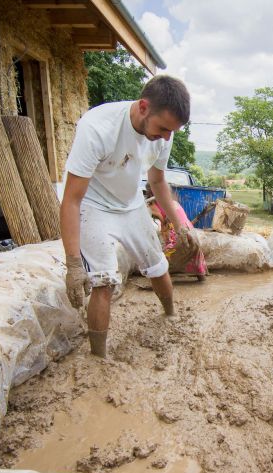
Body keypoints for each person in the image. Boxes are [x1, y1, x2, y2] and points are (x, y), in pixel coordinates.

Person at [60, 75, 199, 357]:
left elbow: (157, 181)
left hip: (131, 202)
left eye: (172, 131)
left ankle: (171, 316)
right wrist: (73, 264)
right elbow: (71, 201)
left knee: (157, 265)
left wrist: (178, 222)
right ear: (144, 107)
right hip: (93, 205)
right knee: (104, 280)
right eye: (162, 129)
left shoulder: (163, 133)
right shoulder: (98, 127)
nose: (166, 137)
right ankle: (99, 357)